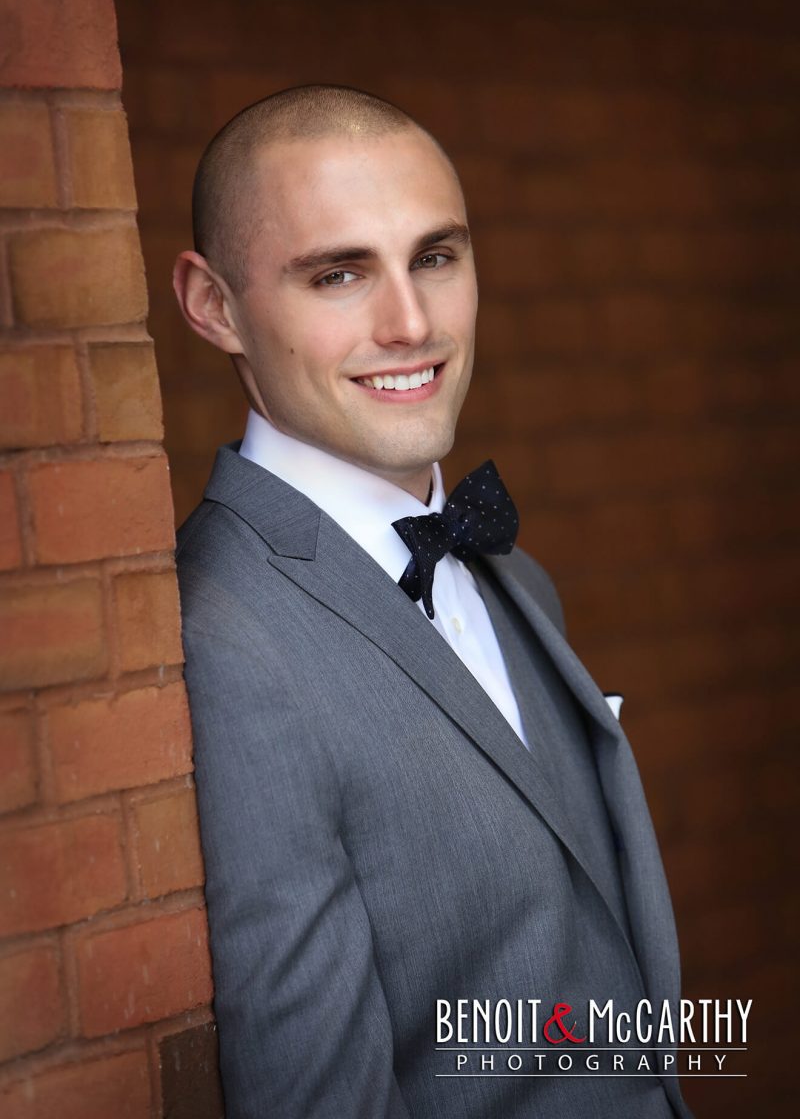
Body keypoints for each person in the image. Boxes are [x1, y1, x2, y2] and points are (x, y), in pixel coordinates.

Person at [172, 84, 690, 1119]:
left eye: (435, 258)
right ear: (214, 306)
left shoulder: (513, 575)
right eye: (338, 273)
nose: (409, 324)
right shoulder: (221, 641)